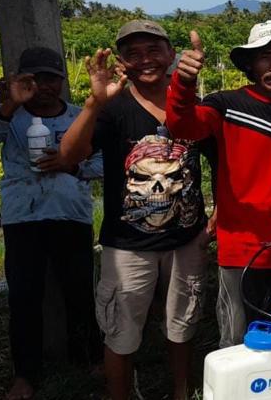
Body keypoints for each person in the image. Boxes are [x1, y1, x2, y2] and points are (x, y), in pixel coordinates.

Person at [58, 20, 209, 400]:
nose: (146, 60)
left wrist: (218, 216)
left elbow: (221, 158)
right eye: (134, 53)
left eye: (154, 50)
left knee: (183, 324)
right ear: (122, 61)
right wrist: (94, 102)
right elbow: (68, 156)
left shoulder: (190, 103)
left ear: (171, 54)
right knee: (121, 331)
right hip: (127, 245)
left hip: (186, 239)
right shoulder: (113, 109)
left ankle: (181, 391)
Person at [165, 20, 271, 348]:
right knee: (237, 336)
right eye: (265, 57)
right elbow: (182, 125)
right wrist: (184, 83)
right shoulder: (224, 104)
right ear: (250, 64)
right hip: (242, 244)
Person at [0, 47, 103, 400]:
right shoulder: (9, 119)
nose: (44, 86)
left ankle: (88, 359)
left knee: (80, 292)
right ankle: (25, 374)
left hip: (71, 215)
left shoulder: (78, 117)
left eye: (52, 78)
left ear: (61, 81)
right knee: (25, 297)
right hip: (22, 218)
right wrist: (9, 105)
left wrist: (71, 165)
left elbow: (103, 161)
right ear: (20, 82)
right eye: (34, 79)